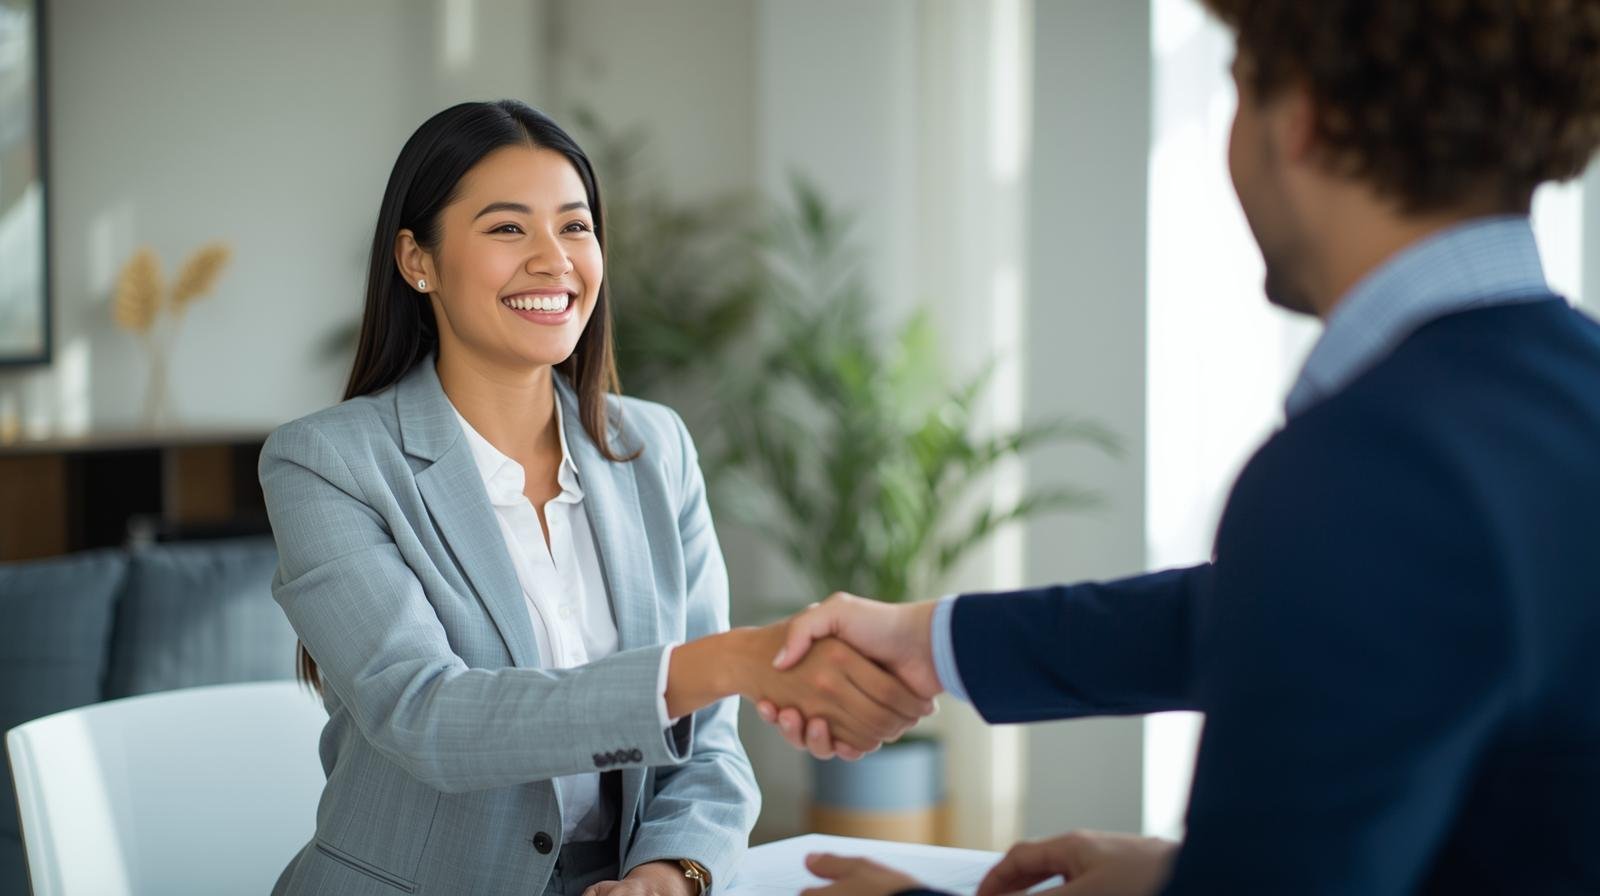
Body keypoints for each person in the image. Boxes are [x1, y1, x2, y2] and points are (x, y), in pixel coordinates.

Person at [756, 1, 1600, 893]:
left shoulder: (1373, 465)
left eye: (1237, 93)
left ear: (1302, 116)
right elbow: (1345, 634)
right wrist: (934, 640)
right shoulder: (1563, 395)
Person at [260, 100, 932, 896]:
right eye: (508, 229)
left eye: (575, 227)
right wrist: (729, 661)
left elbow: (711, 747)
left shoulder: (656, 448)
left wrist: (671, 871)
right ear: (418, 260)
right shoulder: (326, 462)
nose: (554, 260)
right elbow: (430, 717)